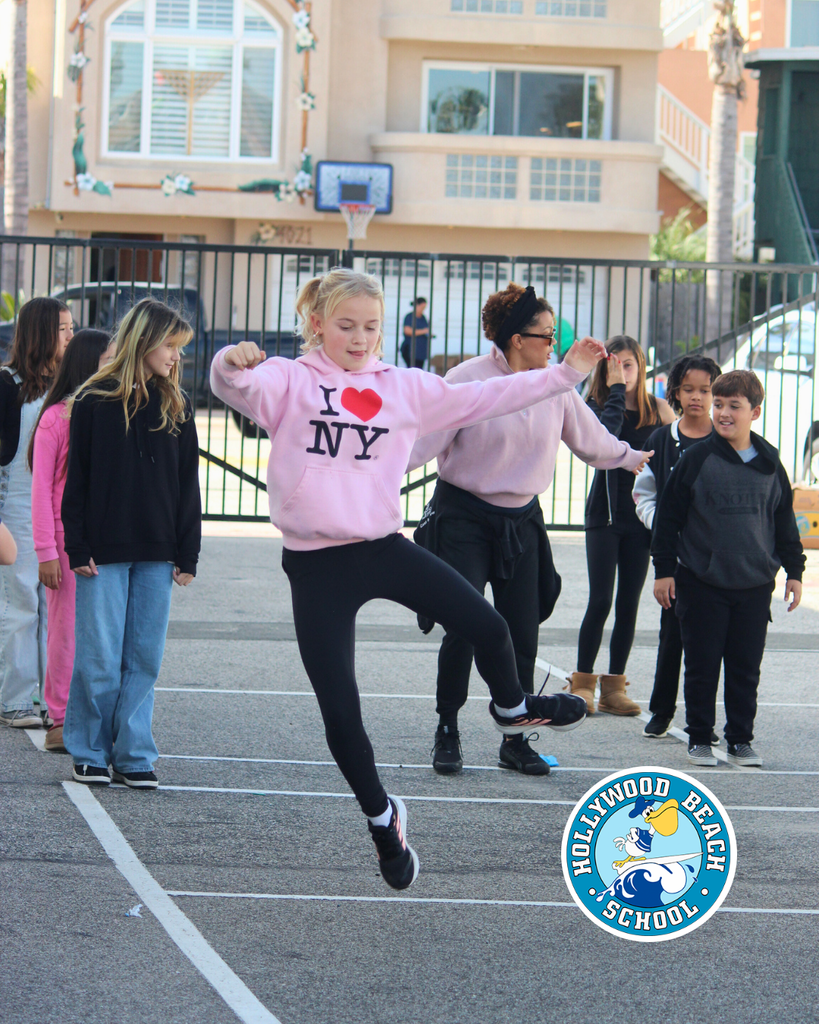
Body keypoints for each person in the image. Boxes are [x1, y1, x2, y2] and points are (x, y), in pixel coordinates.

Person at [209, 267, 606, 890]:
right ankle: (381, 819)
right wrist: (230, 360)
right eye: (346, 326)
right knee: (340, 710)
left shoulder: (403, 387)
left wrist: (566, 374)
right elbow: (234, 383)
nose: (360, 338)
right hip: (315, 565)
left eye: (371, 326)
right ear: (317, 324)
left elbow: (492, 397)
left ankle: (510, 709)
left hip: (380, 547)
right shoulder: (289, 379)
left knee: (487, 624)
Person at [408, 284, 650, 777]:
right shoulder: (466, 378)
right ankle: (447, 727)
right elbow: (423, 443)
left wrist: (635, 459)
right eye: (547, 334)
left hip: (522, 519)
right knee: (463, 625)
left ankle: (514, 740)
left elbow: (593, 441)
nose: (555, 343)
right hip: (464, 517)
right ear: (517, 339)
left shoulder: (553, 384)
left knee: (521, 632)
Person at [62, 299, 201, 789]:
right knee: (99, 657)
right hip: (101, 552)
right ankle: (90, 749)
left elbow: (188, 485)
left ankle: (134, 752)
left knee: (144, 656)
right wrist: (76, 546)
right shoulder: (93, 400)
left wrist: (188, 553)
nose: (176, 357)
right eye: (170, 345)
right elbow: (76, 480)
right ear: (144, 341)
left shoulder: (177, 405)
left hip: (158, 553)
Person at [652, 369, 804, 767]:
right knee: (701, 666)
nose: (722, 413)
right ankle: (699, 737)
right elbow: (668, 517)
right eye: (719, 404)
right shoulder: (696, 459)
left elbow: (784, 521)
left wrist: (794, 571)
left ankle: (740, 740)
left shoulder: (770, 461)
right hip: (701, 581)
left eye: (733, 406)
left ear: (755, 411)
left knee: (744, 670)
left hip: (754, 584)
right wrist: (664, 570)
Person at [570, 336, 674, 716]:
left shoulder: (659, 410)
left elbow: (675, 461)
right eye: (616, 365)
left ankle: (614, 686)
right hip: (604, 516)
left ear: (641, 367)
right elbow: (603, 443)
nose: (623, 372)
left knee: (628, 602)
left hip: (641, 520)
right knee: (600, 599)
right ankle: (582, 682)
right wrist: (614, 390)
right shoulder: (595, 405)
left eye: (629, 365)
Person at [30, 329, 115, 754]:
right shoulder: (56, 418)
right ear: (87, 364)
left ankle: (95, 715)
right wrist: (46, 552)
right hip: (65, 546)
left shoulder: (108, 411)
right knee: (65, 633)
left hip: (105, 542)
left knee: (101, 634)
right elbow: (41, 491)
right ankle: (60, 717)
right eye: (109, 359)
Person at [633, 353, 722, 740]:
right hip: (676, 560)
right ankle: (661, 711)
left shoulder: (727, 440)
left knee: (713, 645)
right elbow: (644, 495)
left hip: (717, 561)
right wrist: (663, 529)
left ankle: (704, 720)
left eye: (706, 390)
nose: (697, 397)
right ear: (676, 392)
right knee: (672, 639)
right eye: (689, 389)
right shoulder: (661, 440)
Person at [0, 297, 73, 728]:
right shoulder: (7, 384)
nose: (70, 335)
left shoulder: (68, 384)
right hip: (15, 506)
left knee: (54, 606)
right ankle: (15, 698)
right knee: (21, 601)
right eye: (63, 328)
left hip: (56, 509)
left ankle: (52, 698)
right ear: (42, 332)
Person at [400, 297, 430, 369]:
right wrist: (423, 331)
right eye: (422, 307)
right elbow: (407, 331)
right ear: (416, 305)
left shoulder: (423, 318)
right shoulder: (409, 317)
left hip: (421, 352)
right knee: (411, 371)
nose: (423, 309)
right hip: (410, 350)